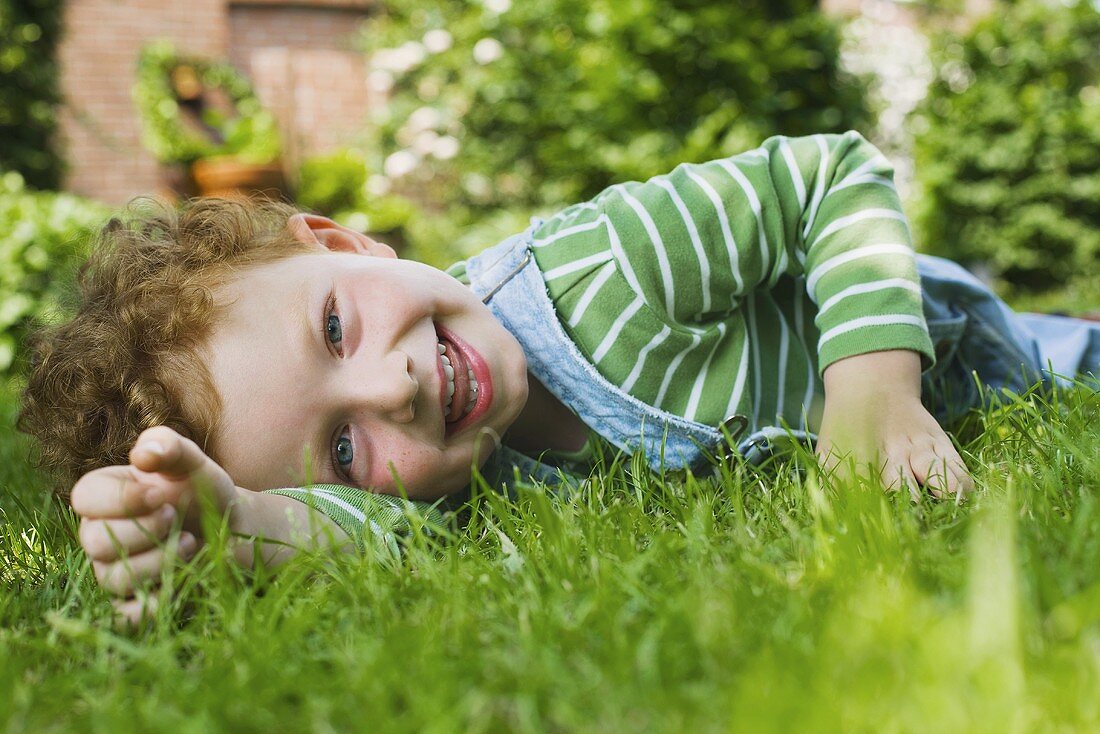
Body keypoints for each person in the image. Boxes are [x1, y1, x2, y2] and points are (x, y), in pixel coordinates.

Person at [19, 131, 1100, 623]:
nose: (389, 392)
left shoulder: (604, 268)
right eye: (343, 449)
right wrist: (243, 520)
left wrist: (873, 392)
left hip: (955, 347)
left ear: (344, 243)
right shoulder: (452, 484)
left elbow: (826, 178)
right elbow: (385, 539)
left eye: (336, 328)